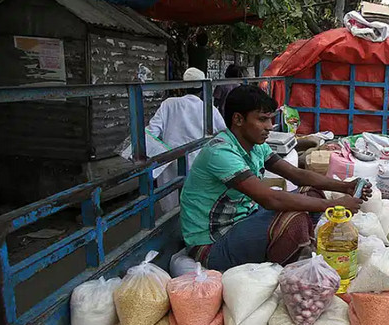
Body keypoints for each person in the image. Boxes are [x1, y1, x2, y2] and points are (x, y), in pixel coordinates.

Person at [180, 85, 371, 272]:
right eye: (262, 120)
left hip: (244, 221)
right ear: (238, 119)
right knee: (295, 219)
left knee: (311, 194)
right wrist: (334, 206)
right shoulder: (220, 152)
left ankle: (298, 253)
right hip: (212, 246)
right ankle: (296, 267)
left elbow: (297, 175)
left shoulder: (255, 145)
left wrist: (344, 187)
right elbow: (270, 199)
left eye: (270, 120)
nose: (269, 127)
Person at [119, 67, 226, 213]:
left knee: (171, 202)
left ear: (182, 86)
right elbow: (222, 134)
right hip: (199, 162)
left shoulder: (169, 104)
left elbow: (151, 131)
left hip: (171, 162)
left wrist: (133, 150)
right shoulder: (208, 108)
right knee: (195, 204)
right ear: (203, 87)